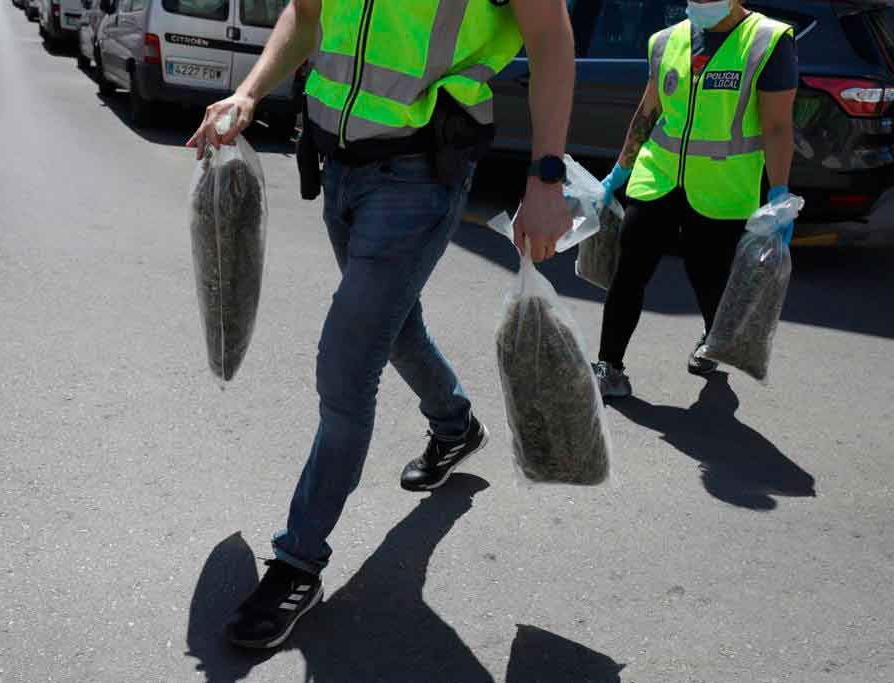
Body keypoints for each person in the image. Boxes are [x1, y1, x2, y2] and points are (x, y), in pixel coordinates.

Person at [186, 0, 576, 649]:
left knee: (346, 365)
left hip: (420, 176)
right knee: (392, 326)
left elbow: (551, 39)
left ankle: (298, 560)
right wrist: (249, 91)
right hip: (338, 166)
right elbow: (306, 14)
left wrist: (547, 177)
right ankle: (455, 424)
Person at [592, 0, 798, 398]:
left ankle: (713, 334)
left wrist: (778, 193)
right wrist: (618, 173)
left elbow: (776, 125)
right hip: (658, 176)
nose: (699, 3)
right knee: (629, 269)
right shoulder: (666, 41)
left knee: (707, 274)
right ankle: (609, 365)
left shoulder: (767, 41)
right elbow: (648, 112)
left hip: (722, 186)